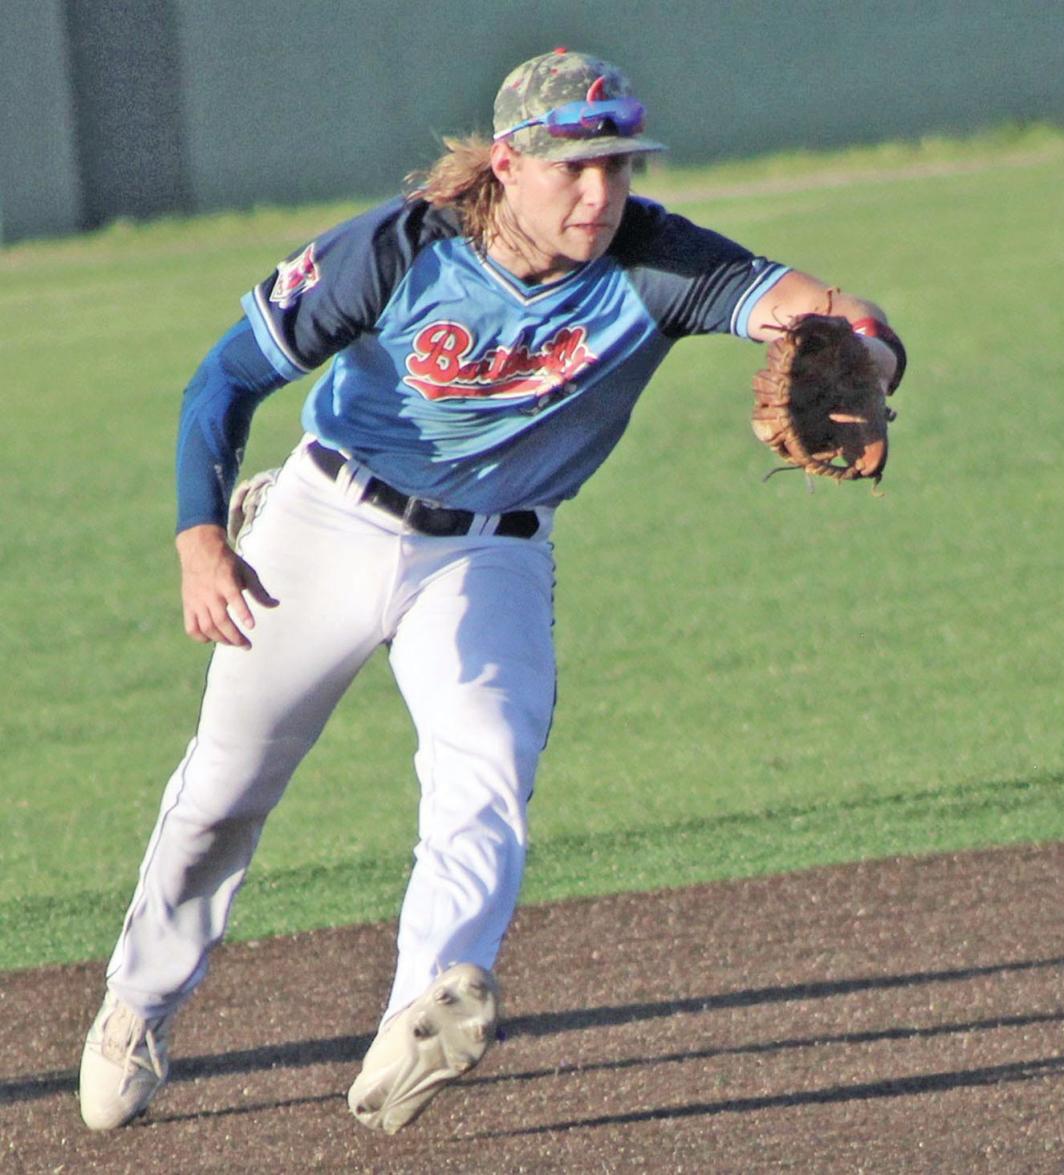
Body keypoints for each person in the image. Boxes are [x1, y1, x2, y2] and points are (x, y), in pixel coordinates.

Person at [78, 48, 905, 1135]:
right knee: (224, 793)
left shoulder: (658, 260)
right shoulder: (399, 245)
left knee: (485, 769)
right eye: (573, 167)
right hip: (328, 521)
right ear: (509, 163)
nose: (601, 193)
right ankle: (136, 1005)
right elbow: (226, 378)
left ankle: (430, 998)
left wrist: (870, 356)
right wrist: (198, 540)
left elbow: (830, 310)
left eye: (618, 165)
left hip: (490, 554)